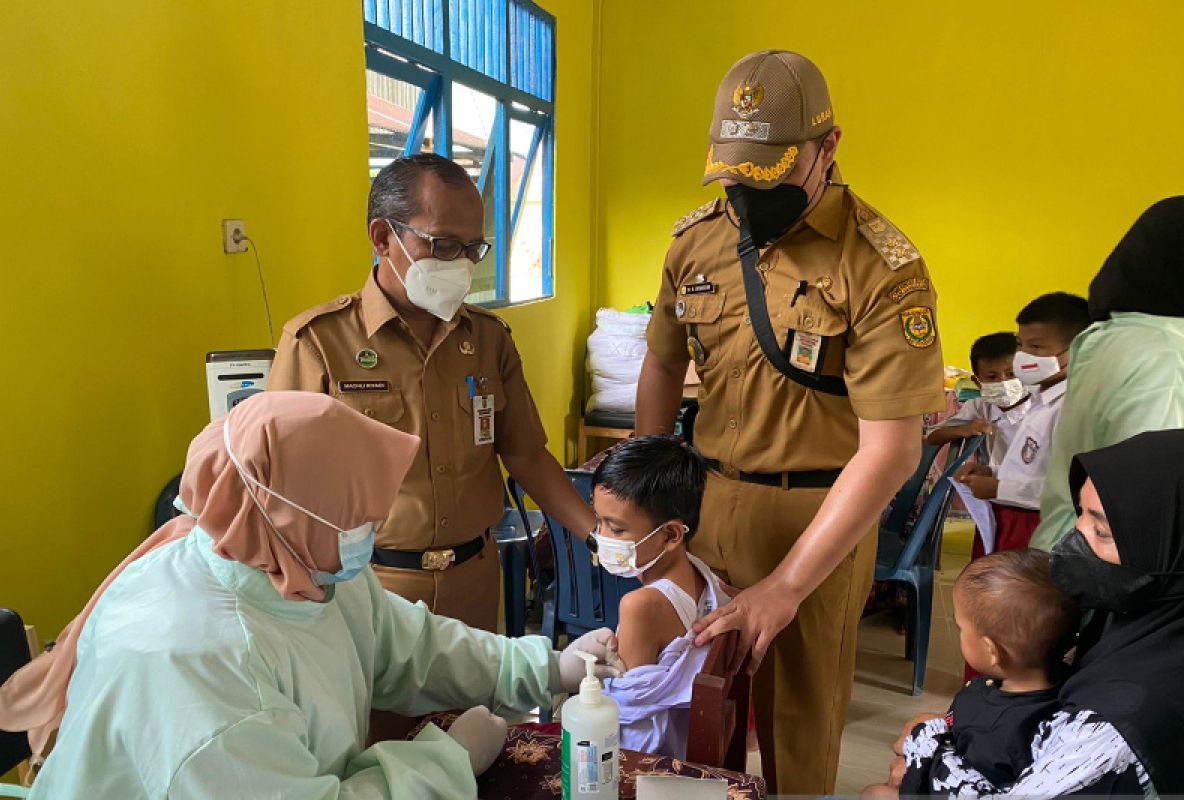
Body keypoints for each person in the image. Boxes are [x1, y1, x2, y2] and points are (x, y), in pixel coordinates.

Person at [0, 392, 623, 799]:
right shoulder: (197, 663)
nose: (373, 535)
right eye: (360, 520)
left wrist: (541, 665)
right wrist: (447, 762)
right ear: (290, 519)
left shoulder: (291, 564)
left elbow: (408, 644)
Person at [637, 50, 945, 793]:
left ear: (827, 146)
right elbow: (660, 364)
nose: (748, 194)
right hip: (704, 506)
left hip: (818, 516)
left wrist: (787, 584)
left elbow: (893, 451)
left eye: (770, 175)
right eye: (735, 175)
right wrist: (647, 501)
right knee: (689, 705)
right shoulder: (697, 240)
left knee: (796, 726)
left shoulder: (880, 266)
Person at [268, 153, 594, 633]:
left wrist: (599, 536)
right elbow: (279, 490)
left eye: (472, 249)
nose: (460, 264)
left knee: (475, 709)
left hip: (475, 583)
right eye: (442, 245)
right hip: (370, 592)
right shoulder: (319, 343)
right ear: (383, 237)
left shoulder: (488, 340)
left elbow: (527, 456)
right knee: (376, 712)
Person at [885, 430, 1184, 797]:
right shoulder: (1129, 616)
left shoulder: (1121, 723)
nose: (1073, 539)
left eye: (1102, 530)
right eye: (1080, 516)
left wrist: (926, 751)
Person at [1032, 197, 1184, 550]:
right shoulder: (1167, 360)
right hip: (1115, 580)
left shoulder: (1114, 336)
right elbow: (1152, 503)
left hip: (1074, 556)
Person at [872, 550, 1079, 796]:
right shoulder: (1063, 691)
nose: (959, 632)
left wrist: (920, 749)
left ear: (992, 651)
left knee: (873, 794)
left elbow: (958, 787)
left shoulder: (995, 732)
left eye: (961, 628)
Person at [587, 435, 731, 759]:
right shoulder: (700, 573)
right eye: (599, 522)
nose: (601, 538)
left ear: (670, 535)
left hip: (652, 764)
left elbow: (626, 722)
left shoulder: (640, 606)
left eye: (617, 529)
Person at [955, 293, 1090, 552]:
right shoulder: (1041, 400)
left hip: (1037, 530)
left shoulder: (1072, 409)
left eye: (1036, 348)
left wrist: (999, 488)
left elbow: (1070, 490)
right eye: (1020, 345)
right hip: (1009, 520)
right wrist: (993, 474)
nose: (1024, 357)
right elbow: (1033, 469)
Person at [925, 332, 1028, 471]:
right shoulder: (979, 407)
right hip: (987, 486)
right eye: (992, 377)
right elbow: (932, 437)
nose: (1003, 382)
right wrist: (964, 429)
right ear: (977, 382)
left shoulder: (1044, 407)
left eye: (1012, 374)